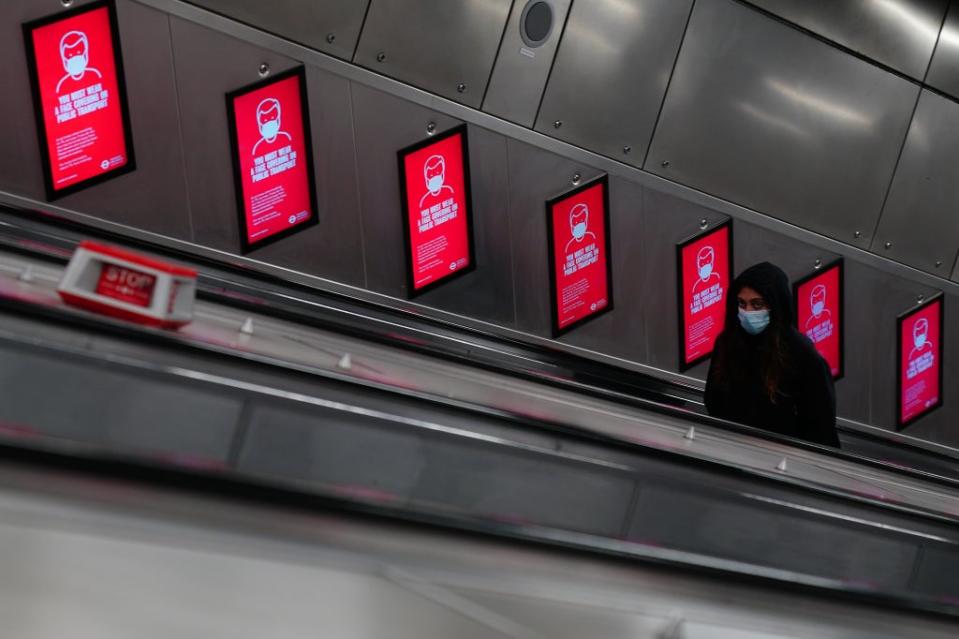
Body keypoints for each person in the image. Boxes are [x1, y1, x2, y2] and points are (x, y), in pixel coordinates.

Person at [704, 262, 840, 447]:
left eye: (757, 304)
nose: (747, 312)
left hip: (782, 458)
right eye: (742, 304)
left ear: (776, 306)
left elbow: (820, 426)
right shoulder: (728, 342)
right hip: (731, 447)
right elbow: (713, 400)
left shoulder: (802, 355)